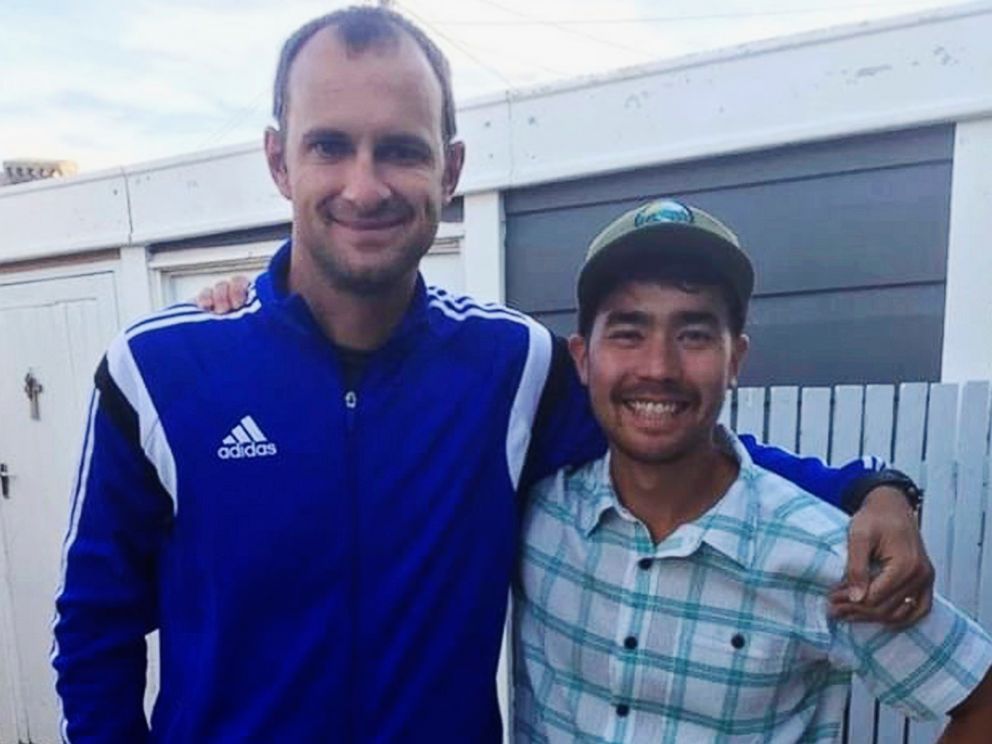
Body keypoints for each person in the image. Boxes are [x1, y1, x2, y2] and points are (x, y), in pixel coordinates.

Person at [53, 7, 931, 742]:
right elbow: (96, 629)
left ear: (452, 167)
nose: (365, 186)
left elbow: (674, 434)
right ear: (281, 160)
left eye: (400, 148)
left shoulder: (510, 367)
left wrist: (873, 488)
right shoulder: (160, 371)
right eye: (331, 146)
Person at [513, 198, 992, 742]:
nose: (658, 368)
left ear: (736, 359)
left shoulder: (830, 557)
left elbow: (981, 698)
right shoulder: (536, 513)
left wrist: (882, 490)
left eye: (693, 335)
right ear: (581, 357)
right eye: (628, 332)